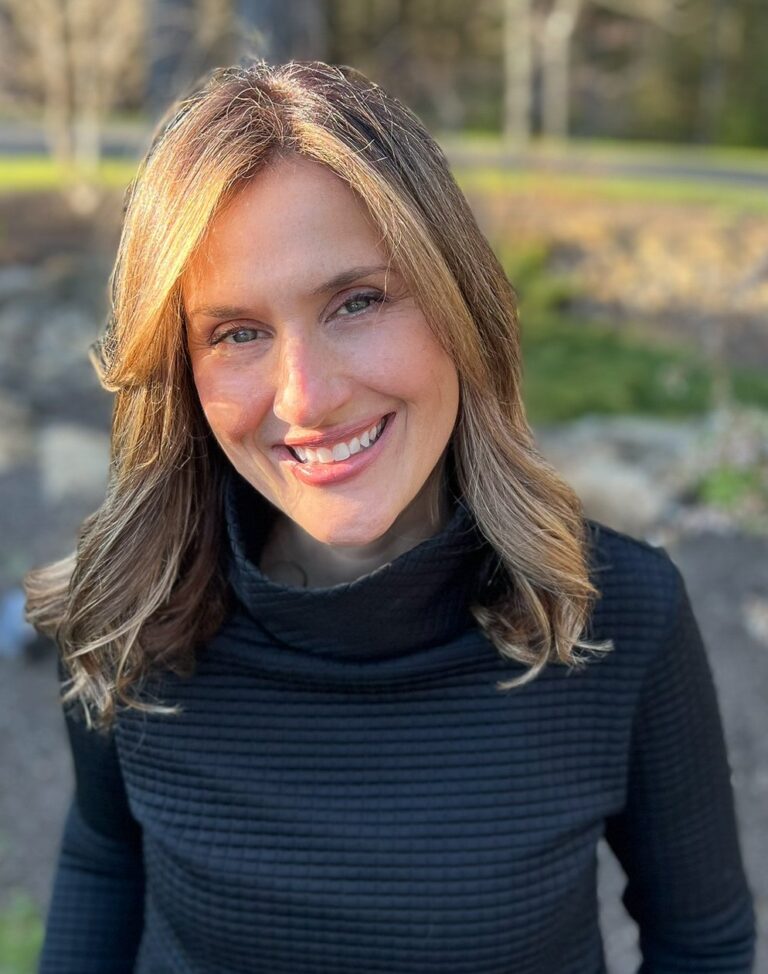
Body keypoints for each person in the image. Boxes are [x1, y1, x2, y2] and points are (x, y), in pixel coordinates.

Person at [27, 60, 755, 974]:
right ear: (181, 370)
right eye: (237, 332)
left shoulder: (617, 619)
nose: (307, 397)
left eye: (357, 301)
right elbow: (102, 860)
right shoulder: (126, 616)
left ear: (461, 305)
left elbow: (703, 946)